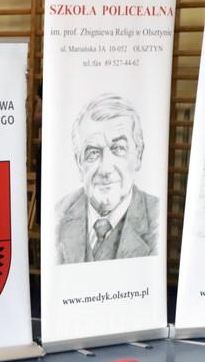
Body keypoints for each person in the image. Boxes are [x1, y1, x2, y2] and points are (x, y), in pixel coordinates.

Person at [55, 93, 159, 264]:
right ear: (79, 163)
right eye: (93, 152)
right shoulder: (58, 215)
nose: (105, 169)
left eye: (118, 148)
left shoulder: (157, 218)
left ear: (138, 155)